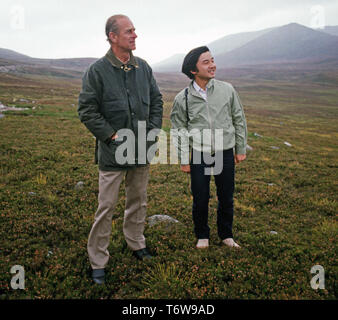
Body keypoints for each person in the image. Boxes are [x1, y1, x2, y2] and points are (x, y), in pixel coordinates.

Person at [78, 14, 163, 285]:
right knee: (107, 207)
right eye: (129, 31)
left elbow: (157, 100)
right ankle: (98, 260)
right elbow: (87, 110)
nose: (135, 35)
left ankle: (136, 243)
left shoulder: (144, 68)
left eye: (135, 31)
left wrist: (152, 131)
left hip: (141, 150)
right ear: (113, 37)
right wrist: (112, 136)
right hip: (113, 152)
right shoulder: (97, 71)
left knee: (139, 201)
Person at [170, 46, 247, 250]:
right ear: (193, 70)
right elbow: (179, 130)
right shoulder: (182, 98)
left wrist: (240, 147)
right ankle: (202, 235)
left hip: (224, 151)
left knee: (226, 196)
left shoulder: (227, 89)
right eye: (206, 62)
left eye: (212, 60)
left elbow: (238, 118)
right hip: (199, 153)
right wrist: (184, 159)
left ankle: (226, 235)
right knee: (200, 197)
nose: (212, 65)